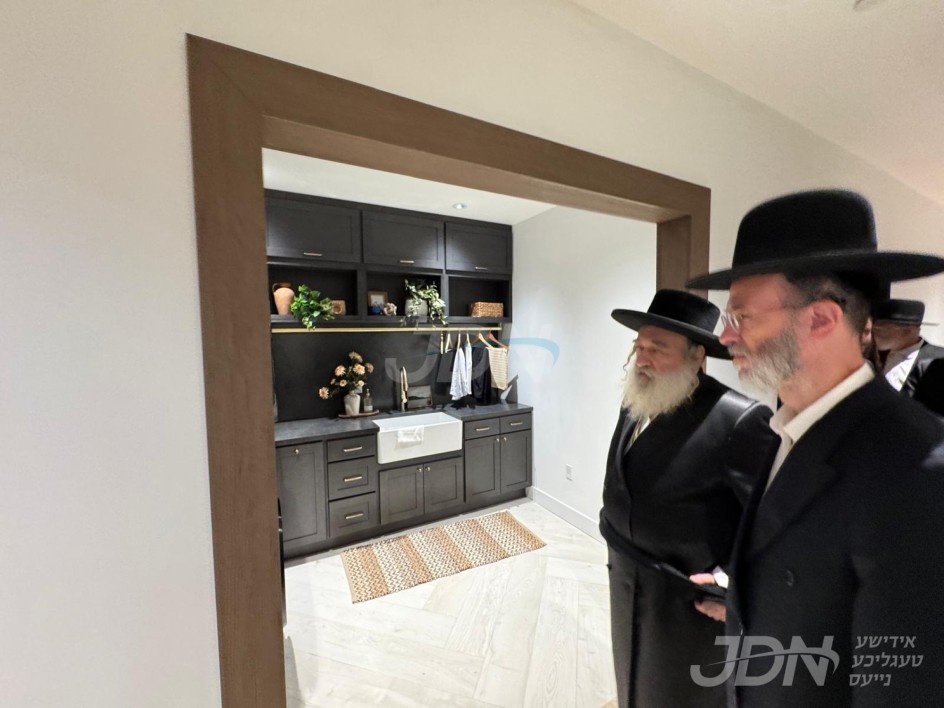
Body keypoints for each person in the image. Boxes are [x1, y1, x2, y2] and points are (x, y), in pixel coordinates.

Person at [687, 189, 944, 707]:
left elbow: (901, 684)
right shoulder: (789, 426)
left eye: (741, 317)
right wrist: (742, 593)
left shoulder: (919, 470)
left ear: (821, 319)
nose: (725, 338)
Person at [600, 289, 773, 708]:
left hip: (687, 607)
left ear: (697, 356)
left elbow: (771, 527)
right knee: (630, 685)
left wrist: (731, 588)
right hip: (625, 582)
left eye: (657, 348)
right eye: (639, 346)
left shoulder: (737, 419)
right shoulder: (638, 399)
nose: (642, 359)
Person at [871, 298, 944, 412]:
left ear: (907, 331)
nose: (872, 335)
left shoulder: (937, 360)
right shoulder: (871, 356)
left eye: (879, 330)